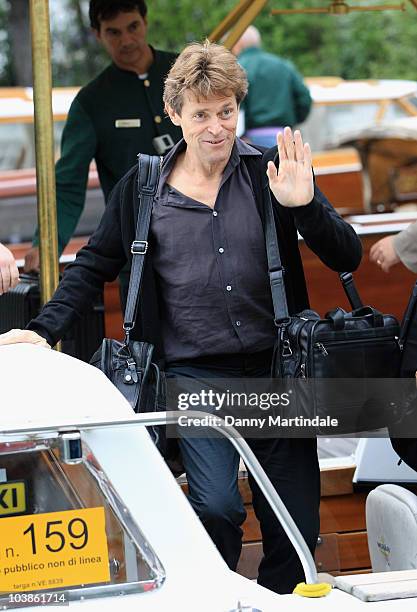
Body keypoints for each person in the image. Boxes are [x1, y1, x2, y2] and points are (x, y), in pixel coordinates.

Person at [10, 41, 362, 594]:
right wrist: (40, 329)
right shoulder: (144, 188)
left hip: (277, 372)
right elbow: (94, 264)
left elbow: (347, 256)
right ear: (175, 115)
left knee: (295, 525)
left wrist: (306, 205)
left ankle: (277, 601)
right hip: (195, 378)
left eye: (226, 112)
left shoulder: (269, 175)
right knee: (217, 508)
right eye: (202, 115)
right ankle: (213, 596)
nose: (217, 127)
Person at [24, 0, 182, 296]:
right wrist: (46, 246)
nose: (127, 40)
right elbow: (68, 184)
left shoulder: (185, 74)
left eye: (132, 27)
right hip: (139, 255)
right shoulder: (92, 102)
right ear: (97, 34)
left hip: (207, 241)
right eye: (114, 32)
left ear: (145, 21)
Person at [232, 26, 312, 148]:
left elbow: (236, 104)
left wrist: (241, 133)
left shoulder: (237, 69)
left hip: (249, 140)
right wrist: (293, 121)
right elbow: (304, 98)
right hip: (285, 136)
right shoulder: (283, 65)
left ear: (238, 44)